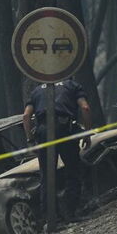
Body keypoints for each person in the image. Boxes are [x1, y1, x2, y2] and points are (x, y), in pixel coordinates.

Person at [22, 79, 92, 222]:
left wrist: (30, 140)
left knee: (47, 176)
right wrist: (87, 132)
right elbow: (85, 108)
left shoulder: (37, 91)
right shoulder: (72, 85)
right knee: (73, 171)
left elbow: (26, 116)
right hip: (65, 129)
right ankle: (71, 212)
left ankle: (51, 218)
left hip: (43, 132)